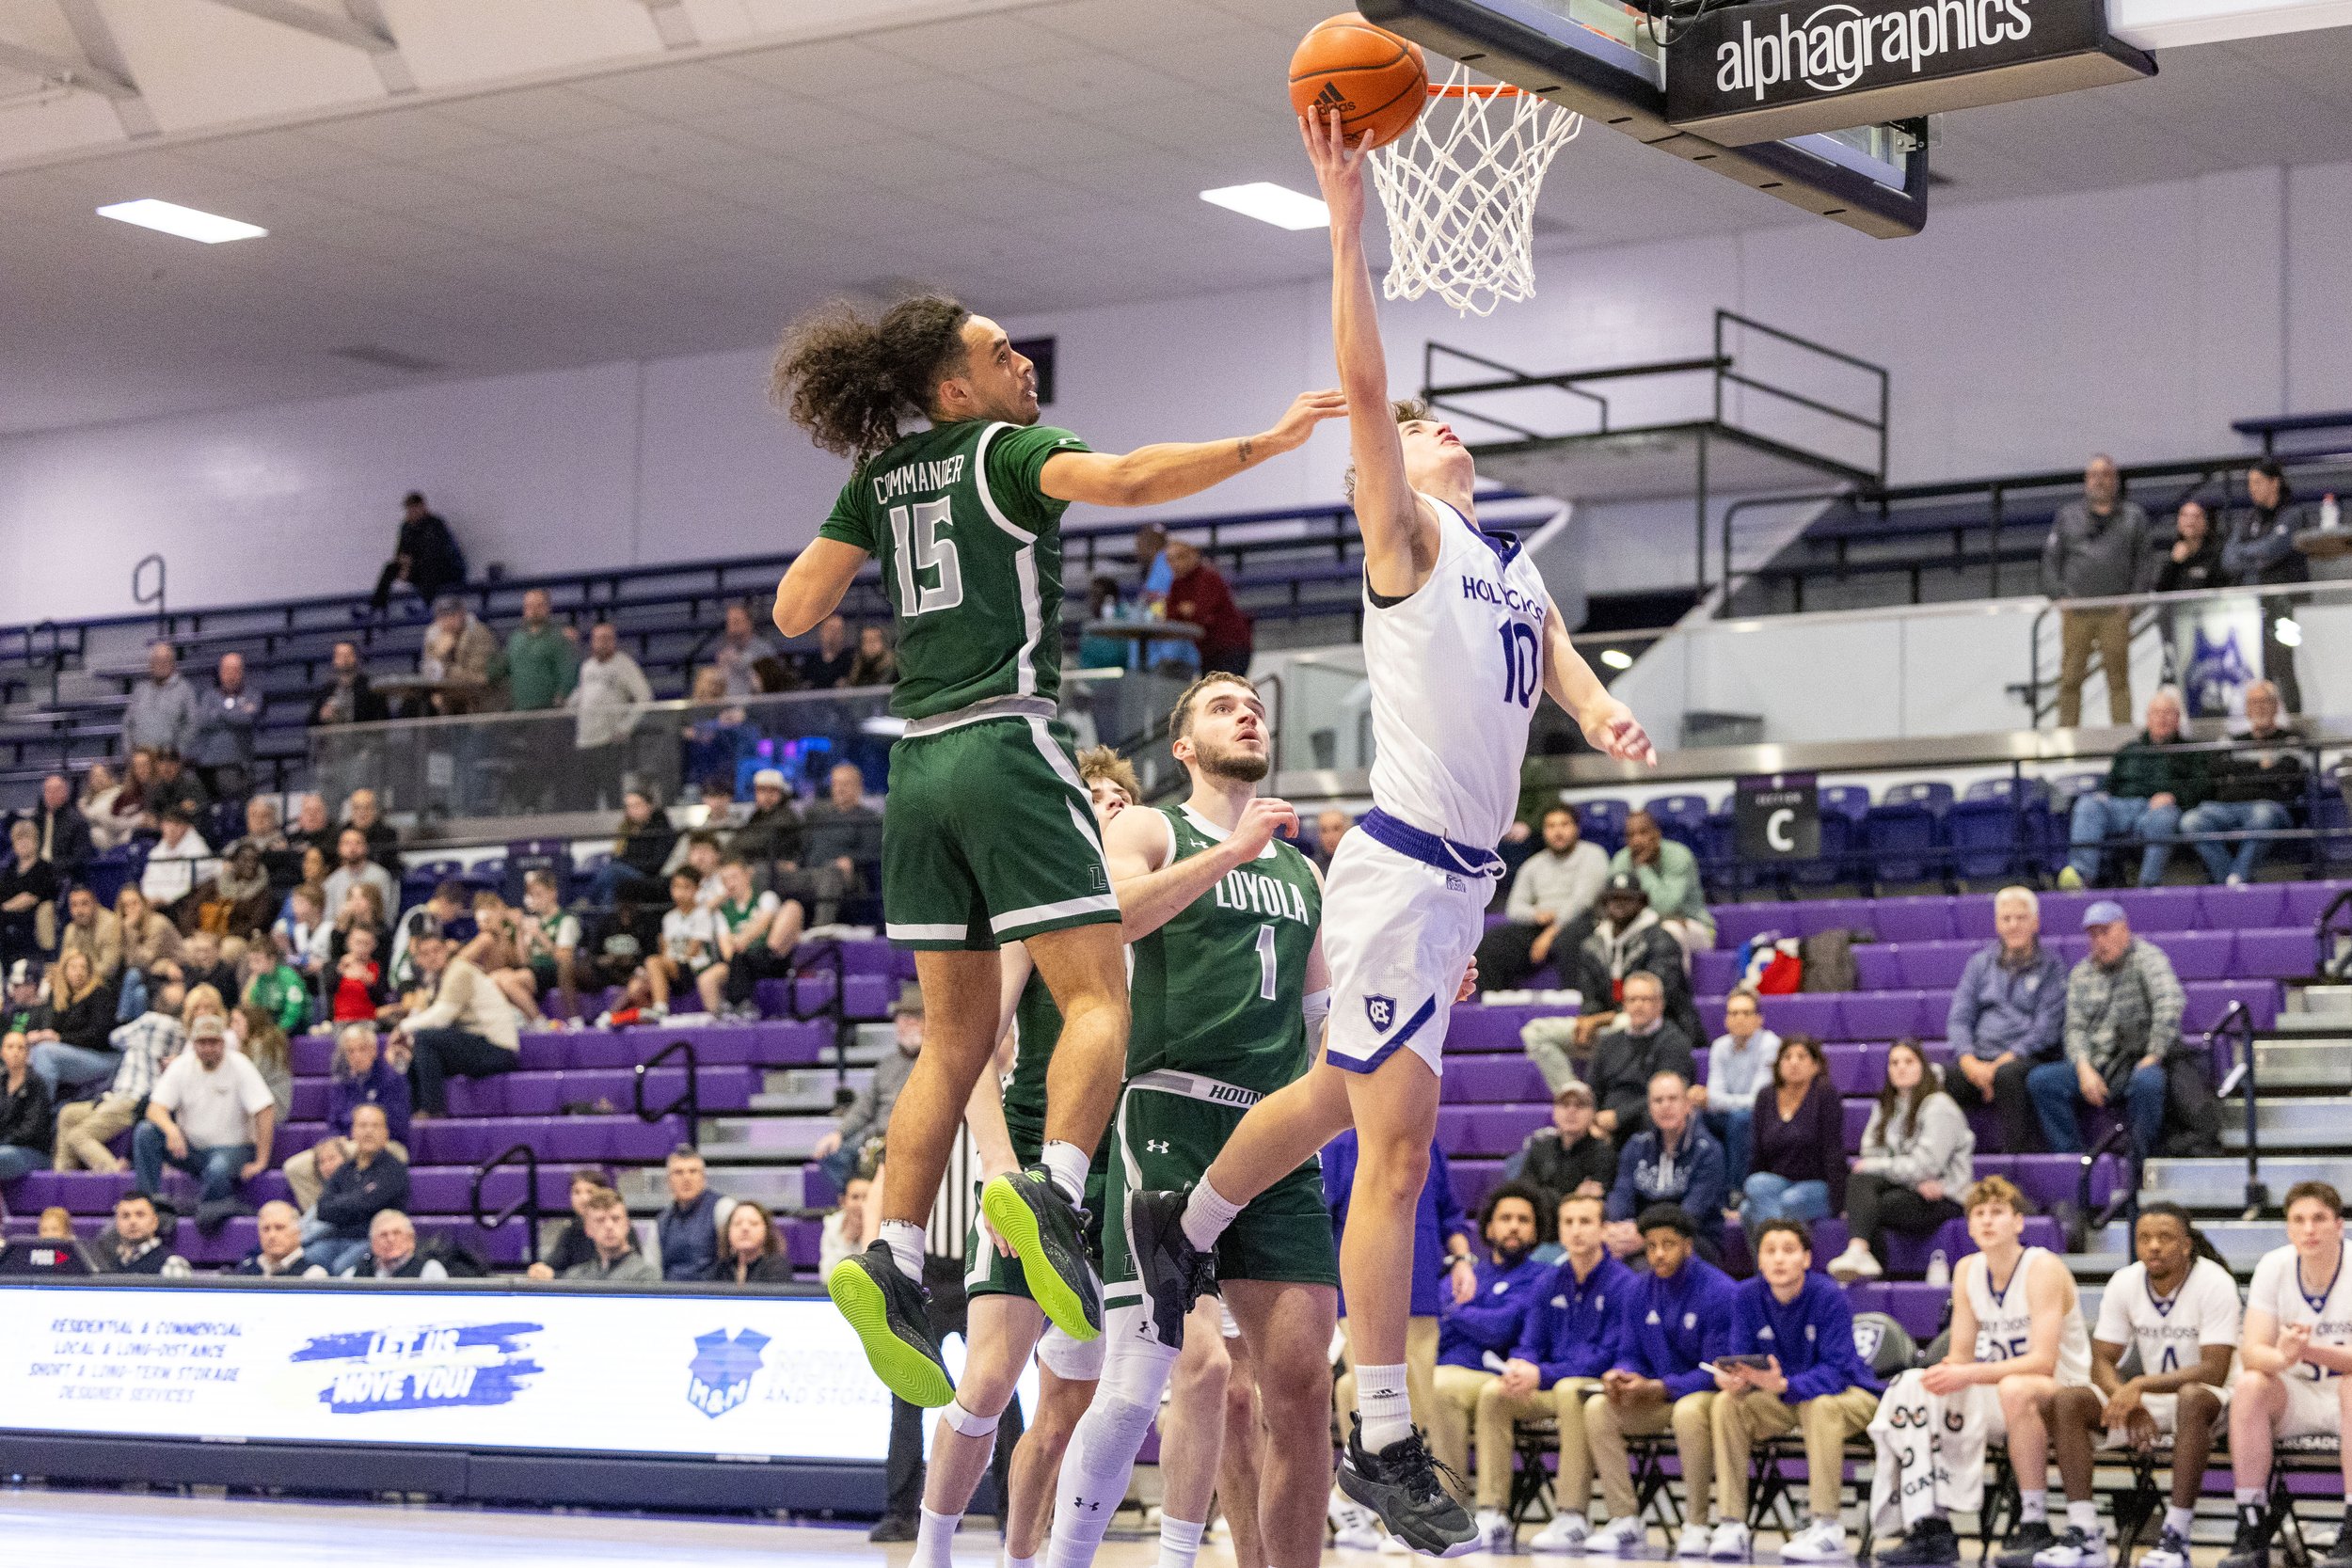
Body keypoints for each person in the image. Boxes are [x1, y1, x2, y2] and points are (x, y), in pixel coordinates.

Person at [769, 278, 1347, 1412]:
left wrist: (869, 523)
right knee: (1097, 1001)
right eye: (998, 353)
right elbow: (1130, 481)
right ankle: (1057, 1190)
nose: (1022, 364)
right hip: (1003, 744)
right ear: (955, 388)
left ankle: (890, 1252)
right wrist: (1267, 440)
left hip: (916, 769)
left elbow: (795, 609)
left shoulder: (880, 475)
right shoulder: (1006, 452)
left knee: (953, 1037)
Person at [907, 752, 1135, 1568]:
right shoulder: (1036, 916)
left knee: (1069, 1401)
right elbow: (969, 1049)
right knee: (991, 1376)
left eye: (1122, 798)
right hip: (1042, 1155)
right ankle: (932, 1552)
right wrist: (999, 1166)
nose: (1111, 809)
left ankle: (1023, 1558)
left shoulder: (1160, 909)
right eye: (1097, 798)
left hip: (1132, 1162)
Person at [1865, 1177, 2094, 1568]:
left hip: (2062, 1389)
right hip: (2000, 1388)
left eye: (1998, 1213)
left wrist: (1967, 1375)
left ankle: (2035, 1521)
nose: (1987, 1221)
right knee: (1912, 1386)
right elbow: (1960, 1356)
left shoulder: (2043, 1267)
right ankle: (1930, 1524)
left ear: (2019, 1222)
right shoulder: (1968, 1269)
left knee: (2016, 1388)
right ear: (1969, 1227)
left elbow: (2043, 1361)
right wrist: (1938, 1375)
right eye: (1979, 1214)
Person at [2037, 1202, 2238, 1568]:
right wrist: (2127, 1400)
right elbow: (2102, 1360)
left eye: (2165, 1237)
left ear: (2186, 1244)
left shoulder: (2215, 1282)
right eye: (2144, 1238)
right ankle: (2086, 1534)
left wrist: (2140, 1385)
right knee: (2067, 1400)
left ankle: (2176, 1537)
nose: (2154, 1246)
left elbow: (2214, 1370)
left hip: (2215, 1403)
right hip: (2154, 1401)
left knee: (2192, 1397)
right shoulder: (2126, 1281)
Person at [1708, 1220, 1887, 1563]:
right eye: (1770, 1251)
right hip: (1785, 1397)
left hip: (1849, 1394)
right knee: (1726, 1404)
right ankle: (1732, 1523)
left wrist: (1786, 1385)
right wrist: (1734, 1379)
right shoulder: (1745, 1297)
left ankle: (1827, 1526)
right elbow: (1740, 1356)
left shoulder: (1829, 1296)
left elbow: (1838, 1370)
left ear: (1806, 1259)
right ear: (1759, 1260)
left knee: (1819, 1406)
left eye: (1788, 1251)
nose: (1779, 1259)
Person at [1580, 1206, 1738, 1557]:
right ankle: (1624, 1519)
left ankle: (1696, 1523)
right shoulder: (1637, 1291)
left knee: (1687, 1411)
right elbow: (1629, 1351)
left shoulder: (1719, 1292)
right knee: (1598, 1409)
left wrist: (1663, 1387)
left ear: (1688, 1246)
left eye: (1668, 1244)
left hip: (1702, 1395)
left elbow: (1718, 1370)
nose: (1659, 1254)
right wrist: (1622, 1374)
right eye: (1651, 1246)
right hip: (1657, 1393)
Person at [1485, 1192, 1634, 1553]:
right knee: (1494, 1394)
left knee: (1571, 1390)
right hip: (1550, 1379)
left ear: (1603, 1229)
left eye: (1585, 1222)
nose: (1576, 1231)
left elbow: (1607, 1356)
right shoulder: (1549, 1281)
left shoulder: (1624, 1283)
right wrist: (1522, 1365)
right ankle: (1492, 1510)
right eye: (1568, 1222)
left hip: (1595, 1383)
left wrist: (1542, 1375)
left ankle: (1572, 1514)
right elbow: (1529, 1341)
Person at [2219, 1180, 2352, 1568]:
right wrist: (2282, 1358)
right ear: (2288, 1229)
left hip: (2345, 1394)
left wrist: (2305, 1350)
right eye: (2299, 1220)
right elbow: (2252, 1352)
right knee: (2249, 1385)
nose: (2309, 1229)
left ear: (2338, 1225)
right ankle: (2251, 1523)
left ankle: (2351, 1524)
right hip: (2299, 1396)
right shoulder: (2273, 1266)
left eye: (2319, 1219)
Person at [1427, 1181, 1552, 1550]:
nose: (1514, 1226)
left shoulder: (1541, 1277)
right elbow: (1436, 1327)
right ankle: (1439, 1504)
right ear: (1489, 1227)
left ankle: (1486, 1509)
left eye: (1523, 1220)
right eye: (1506, 1218)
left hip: (1504, 1375)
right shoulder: (1466, 1273)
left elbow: (1503, 1328)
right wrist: (1468, 1318)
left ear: (1536, 1228)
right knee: (1427, 1382)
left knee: (1443, 1386)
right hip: (1450, 1368)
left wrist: (1457, 1313)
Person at [2026, 902, 2185, 1156]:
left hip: (2137, 1060)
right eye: (2093, 934)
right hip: (2099, 1064)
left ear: (2124, 930)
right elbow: (2074, 1028)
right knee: (2041, 1081)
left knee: (2148, 1082)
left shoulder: (2148, 958)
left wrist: (2154, 1054)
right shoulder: (2082, 973)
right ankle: (2073, 1159)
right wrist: (2083, 1068)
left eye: (2105, 932)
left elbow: (2169, 1002)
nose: (2099, 941)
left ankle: (2139, 1160)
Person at [1831, 1037, 1976, 1282]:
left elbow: (1926, 1166)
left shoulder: (1940, 1106)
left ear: (1923, 1067)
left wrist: (1888, 1169)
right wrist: (1909, 1179)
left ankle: (1871, 1270)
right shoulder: (1885, 1106)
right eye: (1894, 1062)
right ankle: (1860, 1254)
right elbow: (1870, 1152)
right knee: (1862, 1184)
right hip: (1913, 1188)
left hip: (1944, 1195)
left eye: (1909, 1061)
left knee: (1869, 1206)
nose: (1900, 1067)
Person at [1946, 885, 2066, 1154]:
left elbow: (2046, 1029)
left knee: (2008, 1076)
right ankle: (1949, 1165)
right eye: (2006, 918)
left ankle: (2018, 1163)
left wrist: (2000, 1064)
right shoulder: (1979, 964)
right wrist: (1968, 1061)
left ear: (2035, 922)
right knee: (1937, 1078)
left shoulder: (2052, 968)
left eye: (2020, 918)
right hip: (1980, 1059)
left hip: (2025, 1059)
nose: (2013, 925)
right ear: (1997, 924)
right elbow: (1959, 1019)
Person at [2042, 455, 2153, 728]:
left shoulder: (2133, 517)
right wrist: (2059, 596)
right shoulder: (2068, 516)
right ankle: (2066, 739)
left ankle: (2122, 739)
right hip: (2077, 611)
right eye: (2093, 475)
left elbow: (2145, 562)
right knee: (2070, 678)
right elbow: (2050, 561)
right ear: (2085, 480)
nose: (2099, 480)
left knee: (2118, 678)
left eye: (2105, 474)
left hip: (2115, 612)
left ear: (2115, 480)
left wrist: (2133, 602)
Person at [2059, 688, 2210, 889]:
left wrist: (2174, 797)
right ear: (2148, 718)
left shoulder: (2191, 751)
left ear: (2177, 718)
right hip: (2120, 807)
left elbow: (2202, 787)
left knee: (2164, 818)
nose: (2162, 718)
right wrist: (2103, 797)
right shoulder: (2129, 750)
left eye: (2168, 713)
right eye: (2156, 713)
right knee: (2088, 804)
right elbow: (2109, 786)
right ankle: (2081, 878)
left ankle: (2147, 885)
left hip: (2156, 810)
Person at [134, 1011, 274, 1206]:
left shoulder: (240, 1064)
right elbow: (154, 1108)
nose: (208, 1048)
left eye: (213, 1042)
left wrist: (261, 1161)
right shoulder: (181, 1066)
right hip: (192, 1150)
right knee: (145, 1132)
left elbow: (264, 1109)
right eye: (202, 1043)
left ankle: (202, 1211)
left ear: (223, 1043)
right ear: (193, 1044)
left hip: (233, 1149)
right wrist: (171, 1129)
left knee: (217, 1168)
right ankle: (147, 1204)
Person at [51, 981, 185, 1173]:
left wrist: (135, 1040)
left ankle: (115, 1179)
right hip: (117, 1098)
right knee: (68, 1114)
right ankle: (63, 1180)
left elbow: (114, 1037)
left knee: (78, 1135)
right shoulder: (182, 1032)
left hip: (132, 1099)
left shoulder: (149, 1020)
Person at [1562, 874, 1699, 1061]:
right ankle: (1573, 1090)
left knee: (1628, 1022)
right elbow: (1590, 998)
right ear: (1604, 903)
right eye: (1614, 898)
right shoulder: (1592, 945)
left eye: (1627, 899)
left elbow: (1654, 1002)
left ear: (1641, 902)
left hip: (1661, 1027)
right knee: (1538, 1033)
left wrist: (1600, 1020)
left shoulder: (1661, 940)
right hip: (1607, 1026)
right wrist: (1589, 1020)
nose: (1619, 904)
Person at [2182, 679, 2306, 885]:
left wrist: (2238, 773)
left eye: (2266, 702)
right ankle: (2231, 881)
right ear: (2247, 709)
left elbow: (2286, 772)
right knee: (2191, 821)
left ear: (2276, 706)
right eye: (2254, 703)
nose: (2260, 708)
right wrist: (2262, 767)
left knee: (2262, 817)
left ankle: (2237, 878)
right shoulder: (2230, 740)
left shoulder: (2292, 739)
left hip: (2271, 808)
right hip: (2228, 807)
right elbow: (2215, 769)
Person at [389, 923, 521, 1116]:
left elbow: (442, 1017)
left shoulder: (459, 970)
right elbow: (423, 1015)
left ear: (446, 950)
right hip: (475, 1043)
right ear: (417, 960)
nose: (432, 956)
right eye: (425, 953)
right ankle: (411, 1113)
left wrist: (402, 1027)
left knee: (425, 1038)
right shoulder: (433, 981)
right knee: (416, 1048)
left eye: (437, 950)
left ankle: (433, 1112)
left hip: (497, 1048)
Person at [1477, 803, 1609, 993]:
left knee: (1569, 940)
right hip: (1539, 924)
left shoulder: (1593, 855)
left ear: (1576, 828)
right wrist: (1535, 915)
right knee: (1492, 943)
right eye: (1551, 826)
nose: (1558, 832)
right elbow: (1514, 908)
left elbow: (1583, 901)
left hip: (1584, 922)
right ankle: (1493, 1006)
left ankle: (1576, 1007)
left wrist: (1551, 933)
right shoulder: (1533, 865)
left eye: (1564, 824)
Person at [1603, 1071, 1727, 1262]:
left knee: (1642, 1271)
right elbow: (1621, 1193)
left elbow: (1692, 1213)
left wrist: (1646, 1237)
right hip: (1640, 1236)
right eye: (1658, 1100)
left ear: (1687, 1105)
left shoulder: (1708, 1151)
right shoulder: (1636, 1145)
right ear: (1650, 1107)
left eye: (1673, 1099)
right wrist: (1615, 1228)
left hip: (1693, 1240)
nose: (1665, 1106)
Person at [2219, 459, 2311, 715]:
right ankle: (2264, 724)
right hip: (2252, 608)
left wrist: (2247, 555)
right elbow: (2228, 560)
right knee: (2258, 671)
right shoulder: (2249, 520)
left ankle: (2293, 720)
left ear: (2275, 483)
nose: (2252, 489)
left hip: (2283, 608)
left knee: (2283, 667)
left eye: (2258, 482)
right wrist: (2255, 556)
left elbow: (2274, 550)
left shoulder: (2292, 514)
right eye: (2249, 484)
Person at [811, 983, 922, 1188]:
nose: (905, 1025)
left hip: (914, 1139)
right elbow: (864, 1106)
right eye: (901, 1019)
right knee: (832, 1156)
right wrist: (839, 1133)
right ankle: (860, 1201)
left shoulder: (933, 1064)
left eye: (912, 1019)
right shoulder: (887, 1064)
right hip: (876, 1138)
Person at [1738, 1035, 1846, 1232]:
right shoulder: (1766, 1096)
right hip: (1778, 1182)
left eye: (1801, 1057)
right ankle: (1779, 1255)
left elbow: (1833, 1150)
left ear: (1815, 1065)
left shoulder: (1825, 1095)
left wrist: (1841, 1203)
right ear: (1778, 1064)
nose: (1793, 1062)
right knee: (1754, 1186)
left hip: (1817, 1184)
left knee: (1787, 1202)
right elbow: (1757, 1152)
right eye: (1787, 1057)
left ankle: (1774, 1253)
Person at [1586, 971, 1696, 1144]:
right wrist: (1592, 1122)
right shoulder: (1608, 1043)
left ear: (1660, 1004)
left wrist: (1619, 1117)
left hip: (1646, 1122)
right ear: (1624, 1005)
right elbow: (1592, 1090)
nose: (1638, 1005)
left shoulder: (1674, 1042)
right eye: (1632, 999)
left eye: (1645, 999)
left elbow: (1669, 1096)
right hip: (1604, 1123)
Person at [310, 1102, 409, 1275]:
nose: (368, 1131)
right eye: (363, 1125)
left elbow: (368, 1204)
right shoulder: (344, 1170)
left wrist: (344, 1204)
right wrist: (358, 1199)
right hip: (336, 1237)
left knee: (341, 1267)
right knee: (309, 1258)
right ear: (353, 1132)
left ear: (386, 1133)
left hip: (372, 1241)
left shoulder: (394, 1170)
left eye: (375, 1126)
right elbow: (323, 1208)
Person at [570, 622, 654, 808]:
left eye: (607, 639)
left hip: (609, 740)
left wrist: (626, 726)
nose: (602, 643)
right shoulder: (587, 667)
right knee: (585, 794)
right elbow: (582, 694)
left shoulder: (623, 664)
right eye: (598, 639)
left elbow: (644, 696)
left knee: (612, 792)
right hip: (585, 739)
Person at [1701, 989, 1779, 1186]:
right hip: (1728, 1115)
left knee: (1740, 1120)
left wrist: (1716, 1101)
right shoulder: (1719, 1046)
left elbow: (1757, 1101)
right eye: (1733, 1013)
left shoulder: (1770, 1045)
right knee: (1693, 1117)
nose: (1739, 1019)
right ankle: (1707, 1186)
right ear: (1726, 1020)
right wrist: (1714, 1101)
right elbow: (1714, 1096)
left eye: (1746, 1013)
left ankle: (1735, 1189)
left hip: (1763, 1115)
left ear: (1759, 1019)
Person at [1610, 809, 1714, 956]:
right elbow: (1613, 904)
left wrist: (1642, 868)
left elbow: (1666, 906)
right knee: (1604, 932)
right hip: (1642, 924)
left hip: (1693, 925)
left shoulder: (1679, 856)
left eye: (1643, 832)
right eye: (1630, 835)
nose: (1636, 840)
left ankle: (1673, 980)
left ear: (1656, 834)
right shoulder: (1621, 859)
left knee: (1669, 931)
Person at [1502, 1080, 1618, 1212]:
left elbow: (1594, 1205)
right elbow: (1525, 1195)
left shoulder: (1604, 1153)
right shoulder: (1539, 1148)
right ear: (1554, 1112)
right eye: (1565, 1104)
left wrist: (1545, 1195)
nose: (1571, 1111)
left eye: (1580, 1105)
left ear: (1592, 1113)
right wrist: (1574, 1197)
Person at [712, 854, 801, 1019]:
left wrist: (740, 939)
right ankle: (738, 1006)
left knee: (792, 908)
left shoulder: (766, 897)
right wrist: (741, 942)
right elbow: (727, 952)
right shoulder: (723, 913)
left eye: (734, 877)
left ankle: (737, 1004)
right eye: (725, 880)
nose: (730, 883)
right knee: (738, 959)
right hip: (744, 962)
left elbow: (762, 925)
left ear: (747, 875)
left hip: (771, 958)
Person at [25, 948, 119, 1097]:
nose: (79, 972)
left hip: (102, 1057)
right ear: (64, 970)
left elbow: (99, 1035)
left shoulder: (100, 994)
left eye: (83, 968)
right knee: (29, 1052)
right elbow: (51, 1029)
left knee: (45, 1053)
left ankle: (41, 1111)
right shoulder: (59, 997)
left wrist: (60, 1039)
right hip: (73, 1055)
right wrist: (38, 1036)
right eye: (74, 967)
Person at [1162, 538, 1252, 675]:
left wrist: (1187, 612)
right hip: (1207, 651)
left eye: (1180, 557)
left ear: (1194, 554)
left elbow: (1200, 614)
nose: (1175, 564)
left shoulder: (1208, 578)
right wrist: (1183, 610)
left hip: (1230, 648)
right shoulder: (1177, 584)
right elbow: (1170, 615)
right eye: (1170, 560)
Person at [801, 761, 883, 906]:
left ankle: (822, 928)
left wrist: (851, 860)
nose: (839, 789)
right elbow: (805, 851)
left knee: (831, 874)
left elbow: (873, 853)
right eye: (835, 784)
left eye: (845, 784)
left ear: (858, 787)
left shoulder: (869, 819)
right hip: (809, 873)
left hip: (845, 878)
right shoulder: (820, 818)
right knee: (766, 873)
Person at [371, 491, 466, 615]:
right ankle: (376, 606)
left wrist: (410, 566)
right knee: (390, 568)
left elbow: (433, 553)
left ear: (423, 507)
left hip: (446, 570)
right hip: (418, 568)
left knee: (430, 565)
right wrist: (404, 567)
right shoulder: (406, 527)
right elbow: (400, 553)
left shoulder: (435, 524)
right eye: (409, 509)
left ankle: (424, 604)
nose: (411, 512)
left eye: (414, 508)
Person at [188, 651, 262, 799]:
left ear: (242, 672)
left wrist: (219, 712)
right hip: (207, 766)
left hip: (237, 766)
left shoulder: (253, 695)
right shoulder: (208, 696)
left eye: (235, 670)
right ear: (220, 672)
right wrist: (234, 713)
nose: (231, 675)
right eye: (227, 670)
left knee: (235, 812)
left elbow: (246, 720)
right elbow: (201, 722)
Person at [650, 866, 719, 1016]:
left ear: (696, 889)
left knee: (653, 962)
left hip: (694, 969)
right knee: (639, 983)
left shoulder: (703, 914)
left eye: (686, 887)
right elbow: (666, 950)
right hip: (674, 968)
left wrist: (666, 964)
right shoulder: (669, 918)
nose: (680, 892)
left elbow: (693, 951)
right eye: (676, 886)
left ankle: (660, 1009)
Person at [591, 787, 677, 906]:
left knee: (613, 871)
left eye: (636, 805)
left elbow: (657, 863)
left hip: (653, 878)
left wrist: (626, 863)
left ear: (649, 805)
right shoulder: (627, 829)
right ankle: (606, 918)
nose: (632, 810)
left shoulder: (661, 829)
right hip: (630, 873)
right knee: (610, 888)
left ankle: (588, 901)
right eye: (629, 806)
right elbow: (621, 855)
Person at [497, 587, 578, 711]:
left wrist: (561, 697)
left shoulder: (558, 639)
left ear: (548, 607)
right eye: (529, 606)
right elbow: (501, 668)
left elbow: (568, 673)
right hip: (520, 711)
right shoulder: (515, 639)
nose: (533, 610)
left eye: (539, 605)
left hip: (548, 711)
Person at [528, 1170, 618, 1280]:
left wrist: (555, 1277)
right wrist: (540, 1270)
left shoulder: (616, 1228)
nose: (583, 1199)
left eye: (590, 1192)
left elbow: (613, 1273)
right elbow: (554, 1263)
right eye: (576, 1192)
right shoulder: (573, 1230)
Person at [417, 594, 499, 715]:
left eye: (452, 615)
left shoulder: (479, 634)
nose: (448, 621)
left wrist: (443, 668)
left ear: (462, 614)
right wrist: (439, 655)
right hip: (449, 702)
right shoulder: (434, 635)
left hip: (480, 703)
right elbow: (428, 671)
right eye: (443, 617)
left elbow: (478, 677)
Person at [562, 1186, 660, 1284]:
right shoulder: (574, 1276)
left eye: (615, 1218)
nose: (609, 1226)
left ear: (627, 1225)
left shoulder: (645, 1274)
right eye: (600, 1220)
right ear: (588, 1229)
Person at [657, 1145, 723, 1282]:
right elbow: (654, 1270)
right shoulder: (662, 1220)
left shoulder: (722, 1209)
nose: (686, 1178)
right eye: (678, 1172)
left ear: (704, 1178)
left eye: (693, 1171)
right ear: (669, 1181)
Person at [123, 641, 199, 755]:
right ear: (151, 664)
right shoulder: (140, 690)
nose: (161, 664)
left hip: (168, 761)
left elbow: (192, 724)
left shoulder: (185, 690)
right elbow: (128, 724)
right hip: (140, 762)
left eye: (166, 660)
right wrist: (130, 753)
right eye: (157, 660)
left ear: (173, 664)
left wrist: (176, 755)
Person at [0, 817, 58, 965]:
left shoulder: (44, 868)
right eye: (19, 840)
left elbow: (28, 899)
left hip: (32, 918)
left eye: (27, 838)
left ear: (36, 841)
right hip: (7, 918)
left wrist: (5, 907)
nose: (23, 843)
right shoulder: (9, 870)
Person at [0, 1029, 55, 1184]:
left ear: (28, 1054)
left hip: (31, 1152)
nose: (15, 1052)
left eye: (21, 1047)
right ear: (2, 1052)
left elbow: (31, 1131)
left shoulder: (36, 1084)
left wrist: (3, 1140)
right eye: (10, 1047)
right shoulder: (1, 1082)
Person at [139, 805, 214, 916]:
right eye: (168, 823)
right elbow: (149, 880)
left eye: (177, 824)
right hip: (155, 904)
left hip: (182, 906)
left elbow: (187, 887)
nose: (171, 829)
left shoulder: (197, 851)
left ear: (186, 827)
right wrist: (150, 898)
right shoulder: (157, 851)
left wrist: (163, 899)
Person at [96, 1190, 184, 1275]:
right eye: (125, 1216)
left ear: (155, 1222)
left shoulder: (172, 1264)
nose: (132, 1221)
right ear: (117, 1224)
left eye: (140, 1215)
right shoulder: (104, 1263)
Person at [232, 1199, 328, 1277]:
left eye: (279, 1228)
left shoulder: (313, 1275)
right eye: (266, 1229)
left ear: (297, 1232)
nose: (272, 1235)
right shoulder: (246, 1269)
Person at [344, 1209, 449, 1279]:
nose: (390, 1239)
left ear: (410, 1240)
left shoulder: (430, 1271)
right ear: (373, 1243)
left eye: (397, 1233)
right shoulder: (355, 1274)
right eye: (383, 1235)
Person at [2153, 499, 2229, 595]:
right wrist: (2174, 563)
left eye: (2196, 516)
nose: (2190, 521)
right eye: (2184, 516)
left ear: (2206, 523)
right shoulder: (2166, 553)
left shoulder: (2218, 553)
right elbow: (2158, 592)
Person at [311, 641, 389, 728]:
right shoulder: (326, 690)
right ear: (334, 660)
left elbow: (382, 719)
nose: (344, 659)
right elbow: (311, 722)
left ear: (356, 658)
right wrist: (322, 716)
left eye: (348, 655)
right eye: (339, 655)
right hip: (334, 739)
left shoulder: (371, 688)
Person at [29, 772, 92, 875]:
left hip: (61, 875)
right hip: (34, 873)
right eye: (48, 790)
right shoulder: (34, 820)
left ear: (65, 793)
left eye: (56, 790)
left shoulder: (78, 822)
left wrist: (49, 867)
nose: (51, 795)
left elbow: (79, 859)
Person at [720, 1197, 794, 1283]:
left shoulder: (777, 1267)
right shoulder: (720, 1269)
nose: (745, 1228)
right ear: (728, 1231)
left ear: (766, 1230)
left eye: (753, 1223)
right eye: (737, 1223)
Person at [819, 1169, 874, 1275]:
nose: (861, 1204)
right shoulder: (832, 1226)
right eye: (855, 1197)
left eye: (866, 1197)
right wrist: (847, 1241)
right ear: (843, 1201)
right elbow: (825, 1275)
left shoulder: (883, 1228)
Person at [796, 612, 854, 690]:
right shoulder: (810, 662)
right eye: (830, 629)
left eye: (838, 630)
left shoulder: (851, 661)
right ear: (821, 631)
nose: (834, 634)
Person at [846, 623, 900, 687]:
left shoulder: (896, 670)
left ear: (884, 643)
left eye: (874, 640)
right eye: (866, 641)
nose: (870, 645)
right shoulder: (857, 672)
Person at [1311, 807, 1352, 871]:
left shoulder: (1359, 862)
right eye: (1324, 830)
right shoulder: (1312, 868)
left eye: (1336, 829)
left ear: (1347, 830)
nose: (1330, 837)